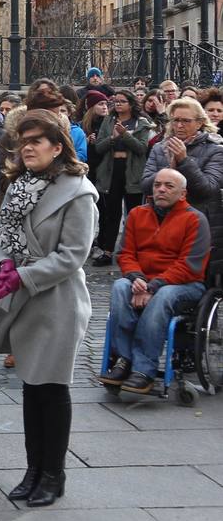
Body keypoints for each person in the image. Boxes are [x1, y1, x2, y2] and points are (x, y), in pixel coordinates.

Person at [0, 109, 98, 507]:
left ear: (57, 146)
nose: (27, 147)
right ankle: (33, 470)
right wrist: (4, 262)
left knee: (52, 386)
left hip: (57, 302)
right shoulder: (20, 185)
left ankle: (53, 474)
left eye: (36, 141)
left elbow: (73, 256)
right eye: (23, 140)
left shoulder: (78, 192)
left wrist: (25, 275)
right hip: (23, 299)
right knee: (31, 387)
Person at [101, 168, 210, 396]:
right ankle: (123, 361)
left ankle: (144, 369)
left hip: (184, 284)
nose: (161, 189)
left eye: (169, 186)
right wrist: (137, 278)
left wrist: (153, 286)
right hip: (144, 279)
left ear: (182, 194)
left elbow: (189, 264)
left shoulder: (195, 219)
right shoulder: (137, 214)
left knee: (164, 296)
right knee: (121, 286)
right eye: (157, 184)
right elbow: (125, 254)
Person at [140, 97, 223, 247]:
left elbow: (208, 189)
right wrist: (169, 171)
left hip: (199, 223)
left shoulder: (215, 150)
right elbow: (146, 186)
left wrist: (184, 161)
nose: (179, 125)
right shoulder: (160, 148)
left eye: (186, 121)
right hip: (163, 220)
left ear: (199, 123)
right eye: (175, 120)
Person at [90, 90, 153, 266]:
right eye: (115, 101)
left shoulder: (142, 122)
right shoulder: (108, 121)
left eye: (122, 101)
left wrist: (124, 135)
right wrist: (113, 137)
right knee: (112, 213)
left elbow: (141, 148)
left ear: (131, 104)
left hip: (132, 171)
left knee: (134, 214)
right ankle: (108, 251)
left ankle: (133, 252)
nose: (118, 104)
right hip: (111, 171)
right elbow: (99, 147)